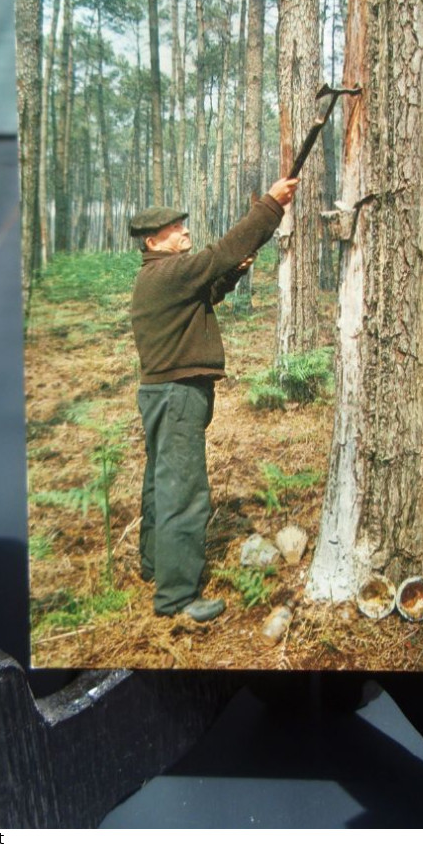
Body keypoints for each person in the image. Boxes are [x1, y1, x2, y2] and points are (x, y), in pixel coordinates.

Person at [129, 177, 300, 623]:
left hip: (163, 395)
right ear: (154, 242)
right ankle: (177, 598)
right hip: (177, 397)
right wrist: (271, 206)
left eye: (183, 226)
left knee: (160, 487)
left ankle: (155, 566)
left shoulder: (163, 278)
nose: (185, 232)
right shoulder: (168, 273)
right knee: (184, 495)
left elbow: (207, 293)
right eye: (175, 230)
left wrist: (234, 273)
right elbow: (218, 254)